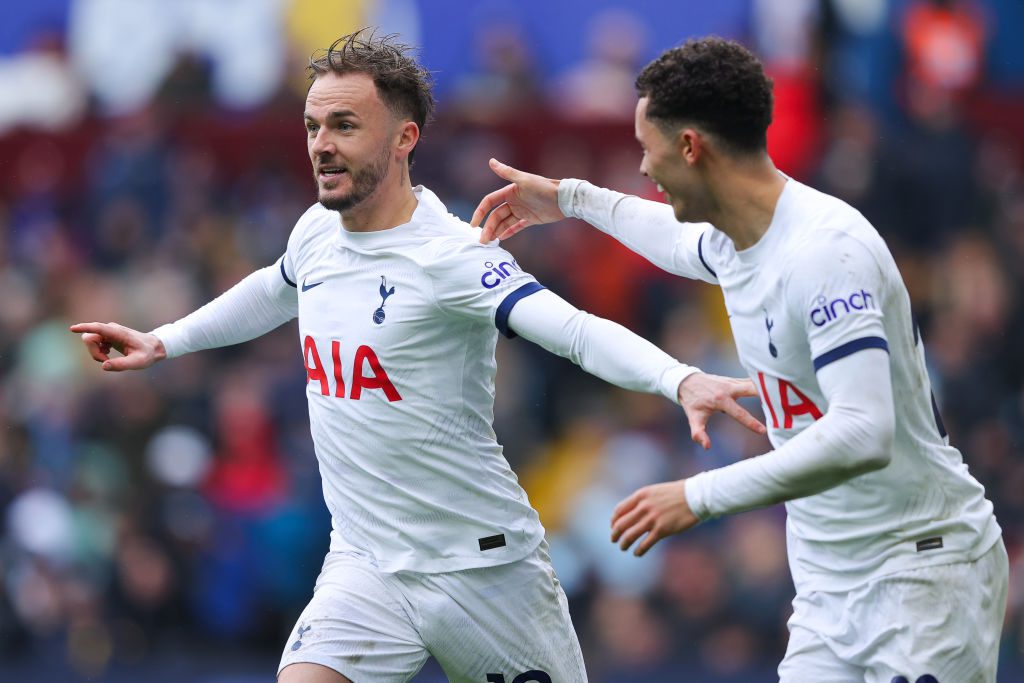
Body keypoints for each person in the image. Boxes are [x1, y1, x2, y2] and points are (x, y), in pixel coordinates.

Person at [70, 30, 764, 683]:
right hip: (365, 566)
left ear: (404, 139)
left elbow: (573, 330)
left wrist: (679, 378)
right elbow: (275, 287)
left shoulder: (450, 256)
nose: (320, 145)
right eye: (313, 126)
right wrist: (166, 340)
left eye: (344, 126)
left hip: (485, 571)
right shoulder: (317, 231)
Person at [472, 36, 1008, 683]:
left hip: (920, 575)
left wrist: (699, 496)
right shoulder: (736, 239)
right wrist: (568, 199)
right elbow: (671, 239)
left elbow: (865, 432)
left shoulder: (827, 252)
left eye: (649, 147)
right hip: (827, 591)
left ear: (691, 147)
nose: (643, 168)